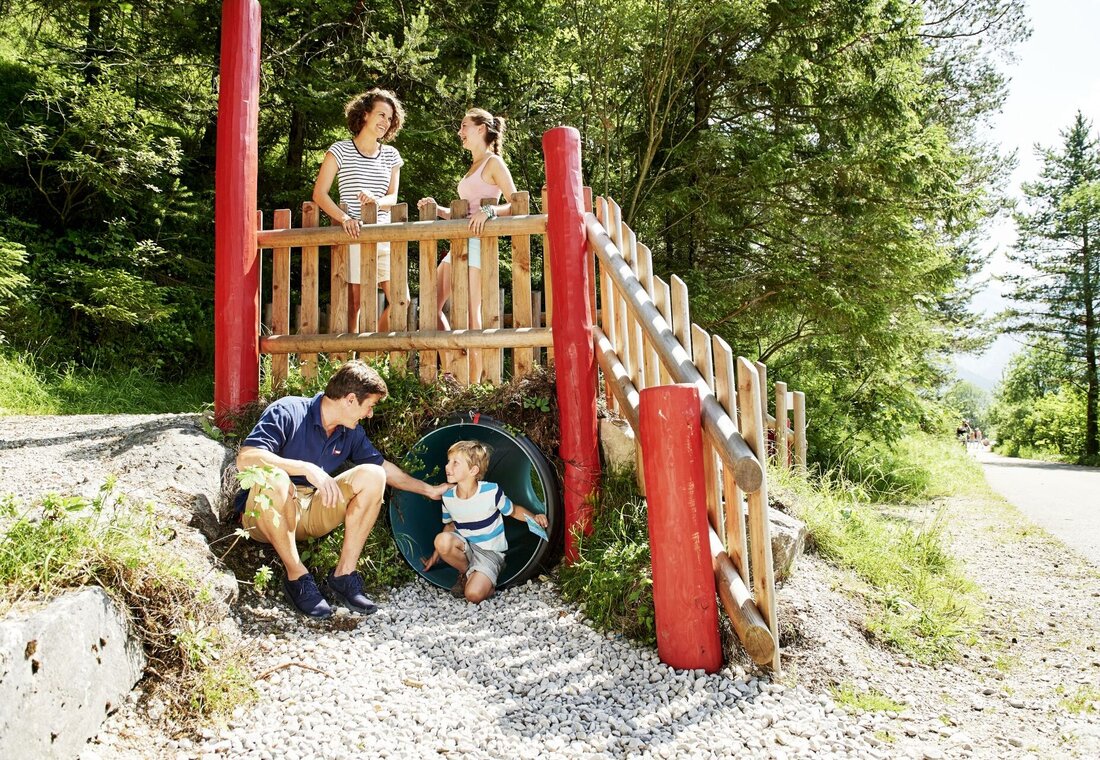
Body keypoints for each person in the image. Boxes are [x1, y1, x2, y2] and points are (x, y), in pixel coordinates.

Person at [234, 360, 449, 619]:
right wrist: (304, 468)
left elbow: (386, 469)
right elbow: (246, 458)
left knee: (373, 474)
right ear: (349, 400)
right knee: (277, 478)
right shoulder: (287, 411)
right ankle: (297, 576)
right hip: (265, 515)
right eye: (369, 406)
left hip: (310, 511)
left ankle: (343, 575)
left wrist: (429, 490)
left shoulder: (350, 432)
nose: (370, 414)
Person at [416, 108, 518, 383]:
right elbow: (465, 212)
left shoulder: (493, 163)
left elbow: (517, 203)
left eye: (464, 126)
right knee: (429, 306)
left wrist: (491, 211)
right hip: (458, 246)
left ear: (481, 128)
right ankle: (452, 372)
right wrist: (437, 209)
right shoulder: (472, 167)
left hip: (478, 246)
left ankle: (472, 384)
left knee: (473, 317)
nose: (460, 132)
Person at [312, 88, 408, 333]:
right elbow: (320, 194)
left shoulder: (391, 155)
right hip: (354, 235)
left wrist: (376, 200)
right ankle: (352, 364)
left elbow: (393, 197)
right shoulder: (339, 150)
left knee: (401, 300)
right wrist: (345, 218)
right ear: (365, 115)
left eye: (390, 118)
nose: (386, 122)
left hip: (384, 235)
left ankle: (372, 353)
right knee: (355, 304)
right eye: (381, 115)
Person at [421, 440, 548, 604]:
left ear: (473, 470)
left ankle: (483, 579)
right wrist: (436, 555)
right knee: (441, 540)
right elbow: (450, 526)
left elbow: (514, 510)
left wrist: (535, 517)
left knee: (472, 596)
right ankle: (466, 573)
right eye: (448, 461)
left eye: (455, 463)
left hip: (490, 553)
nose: (447, 466)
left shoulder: (490, 491)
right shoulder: (448, 496)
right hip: (466, 547)